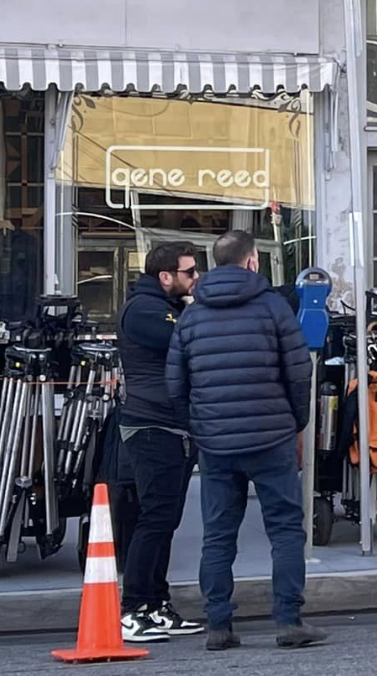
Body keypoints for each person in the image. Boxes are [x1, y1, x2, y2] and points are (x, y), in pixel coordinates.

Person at [166, 231, 325, 651]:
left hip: (216, 443)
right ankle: (289, 621)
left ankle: (219, 625)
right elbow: (298, 373)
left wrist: (199, 425)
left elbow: (175, 383)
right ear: (253, 261)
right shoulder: (273, 307)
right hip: (271, 437)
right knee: (287, 530)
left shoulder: (192, 316)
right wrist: (296, 422)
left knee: (218, 536)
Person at [116, 242, 205, 643]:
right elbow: (188, 342)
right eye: (189, 272)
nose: (196, 278)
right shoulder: (144, 311)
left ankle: (156, 603)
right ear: (165, 276)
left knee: (165, 520)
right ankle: (133, 608)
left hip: (174, 426)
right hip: (153, 426)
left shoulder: (171, 308)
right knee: (153, 519)